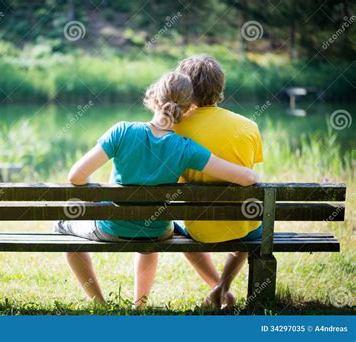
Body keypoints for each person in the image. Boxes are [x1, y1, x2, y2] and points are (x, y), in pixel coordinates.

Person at [55, 71, 258, 306]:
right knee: (148, 236)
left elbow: (76, 176)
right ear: (189, 108)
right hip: (158, 230)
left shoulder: (122, 131)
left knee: (63, 226)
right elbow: (247, 178)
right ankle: (139, 305)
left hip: (113, 227)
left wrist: (92, 200)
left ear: (153, 99)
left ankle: (100, 303)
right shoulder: (186, 147)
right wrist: (251, 172)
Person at [174, 54, 264, 309]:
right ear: (220, 86)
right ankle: (222, 289)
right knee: (248, 225)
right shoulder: (248, 126)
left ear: (185, 87)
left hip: (198, 228)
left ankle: (219, 291)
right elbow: (247, 174)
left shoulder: (175, 128)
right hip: (242, 225)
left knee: (175, 228)